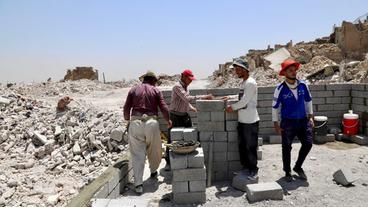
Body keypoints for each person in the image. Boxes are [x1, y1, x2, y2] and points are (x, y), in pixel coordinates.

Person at [123, 71, 172, 194]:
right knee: (155, 149)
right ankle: (153, 171)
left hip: (135, 123)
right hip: (151, 123)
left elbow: (126, 108)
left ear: (144, 79)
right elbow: (164, 107)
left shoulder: (133, 90)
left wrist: (127, 120)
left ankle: (138, 184)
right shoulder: (156, 90)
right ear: (153, 80)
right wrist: (168, 121)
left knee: (137, 154)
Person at [272, 59, 314, 182]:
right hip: (288, 122)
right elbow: (275, 107)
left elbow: (309, 100)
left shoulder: (303, 85)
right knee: (286, 147)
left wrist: (310, 116)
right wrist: (276, 123)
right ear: (284, 72)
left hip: (302, 120)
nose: (293, 72)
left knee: (308, 143)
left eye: (294, 70)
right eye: (290, 70)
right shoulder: (280, 88)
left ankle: (298, 167)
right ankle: (287, 171)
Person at [165, 69, 213, 170]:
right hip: (175, 116)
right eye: (189, 79)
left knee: (190, 136)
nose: (191, 81)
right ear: (183, 77)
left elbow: (185, 101)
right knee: (172, 138)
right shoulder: (177, 87)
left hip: (184, 115)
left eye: (191, 79)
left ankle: (188, 158)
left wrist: (191, 108)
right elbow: (186, 98)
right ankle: (169, 162)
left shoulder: (186, 87)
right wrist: (204, 97)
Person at [225, 59, 260, 180]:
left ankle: (253, 170)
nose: (236, 72)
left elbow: (244, 101)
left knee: (250, 146)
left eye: (238, 70)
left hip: (250, 121)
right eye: (235, 70)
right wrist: (229, 97)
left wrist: (232, 108)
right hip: (243, 120)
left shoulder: (250, 83)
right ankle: (246, 168)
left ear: (244, 70)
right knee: (243, 146)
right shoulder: (244, 83)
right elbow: (241, 96)